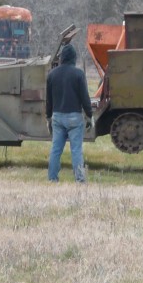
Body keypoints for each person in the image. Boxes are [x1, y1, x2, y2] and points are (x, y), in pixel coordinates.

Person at [45, 42, 93, 183]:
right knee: (76, 150)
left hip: (57, 116)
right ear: (74, 57)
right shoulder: (78, 74)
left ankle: (52, 179)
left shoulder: (52, 74)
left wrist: (48, 117)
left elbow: (49, 100)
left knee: (56, 149)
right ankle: (80, 180)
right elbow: (85, 97)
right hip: (74, 117)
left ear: (61, 58)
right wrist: (89, 115)